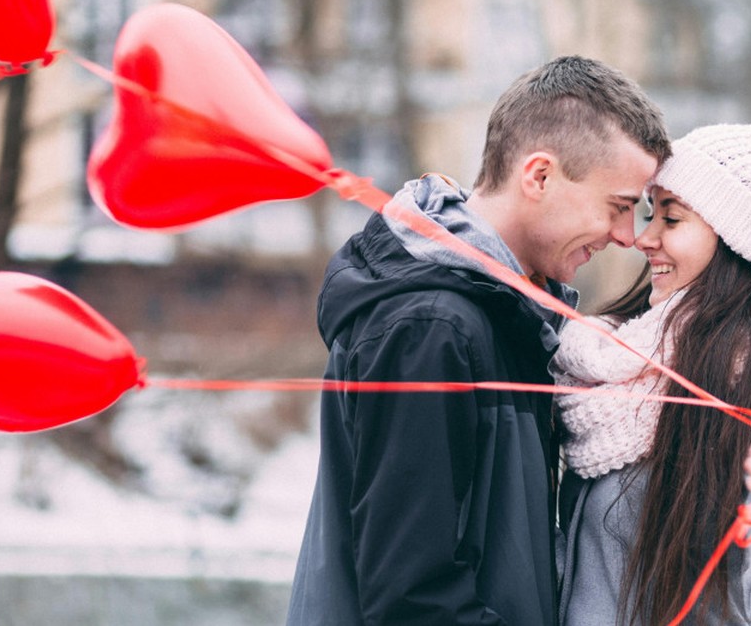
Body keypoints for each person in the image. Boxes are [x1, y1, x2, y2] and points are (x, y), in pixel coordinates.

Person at [286, 56, 671, 626]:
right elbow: (411, 599)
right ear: (538, 176)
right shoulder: (432, 327)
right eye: (618, 207)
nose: (625, 236)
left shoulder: (507, 317)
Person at [553, 123, 751, 625]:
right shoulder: (611, 372)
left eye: (672, 218)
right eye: (649, 212)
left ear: (739, 243)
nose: (645, 238)